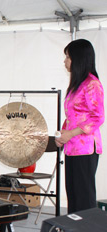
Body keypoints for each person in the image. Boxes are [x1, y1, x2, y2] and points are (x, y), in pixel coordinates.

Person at [56, 39, 104, 214]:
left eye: (68, 57)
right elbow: (72, 116)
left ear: (78, 59)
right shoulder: (77, 85)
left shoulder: (92, 84)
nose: (65, 61)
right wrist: (63, 135)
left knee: (84, 196)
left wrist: (71, 134)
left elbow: (97, 117)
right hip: (72, 147)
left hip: (86, 148)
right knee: (73, 194)